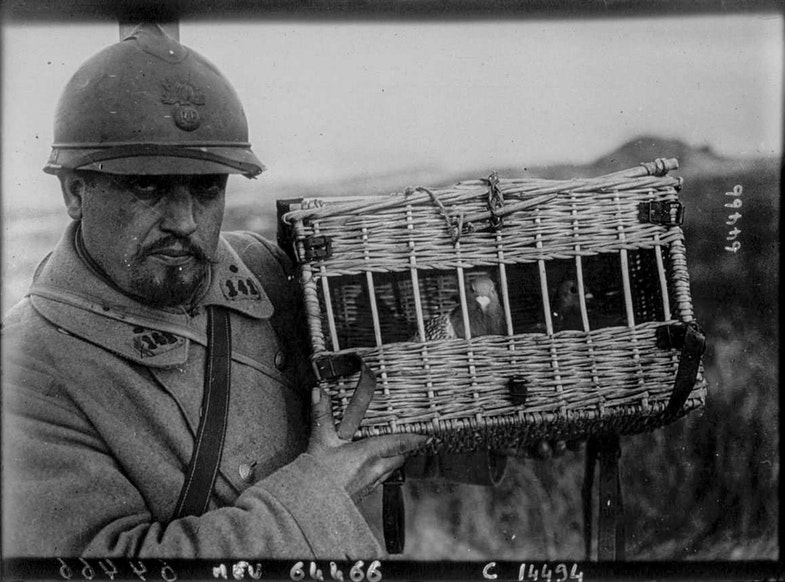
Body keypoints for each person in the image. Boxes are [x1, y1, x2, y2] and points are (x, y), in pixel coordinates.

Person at [1, 23, 428, 559]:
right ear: (74, 191)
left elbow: (375, 410)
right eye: (147, 186)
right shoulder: (28, 370)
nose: (183, 220)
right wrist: (323, 492)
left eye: (206, 188)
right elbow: (102, 564)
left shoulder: (261, 268)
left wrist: (504, 422)